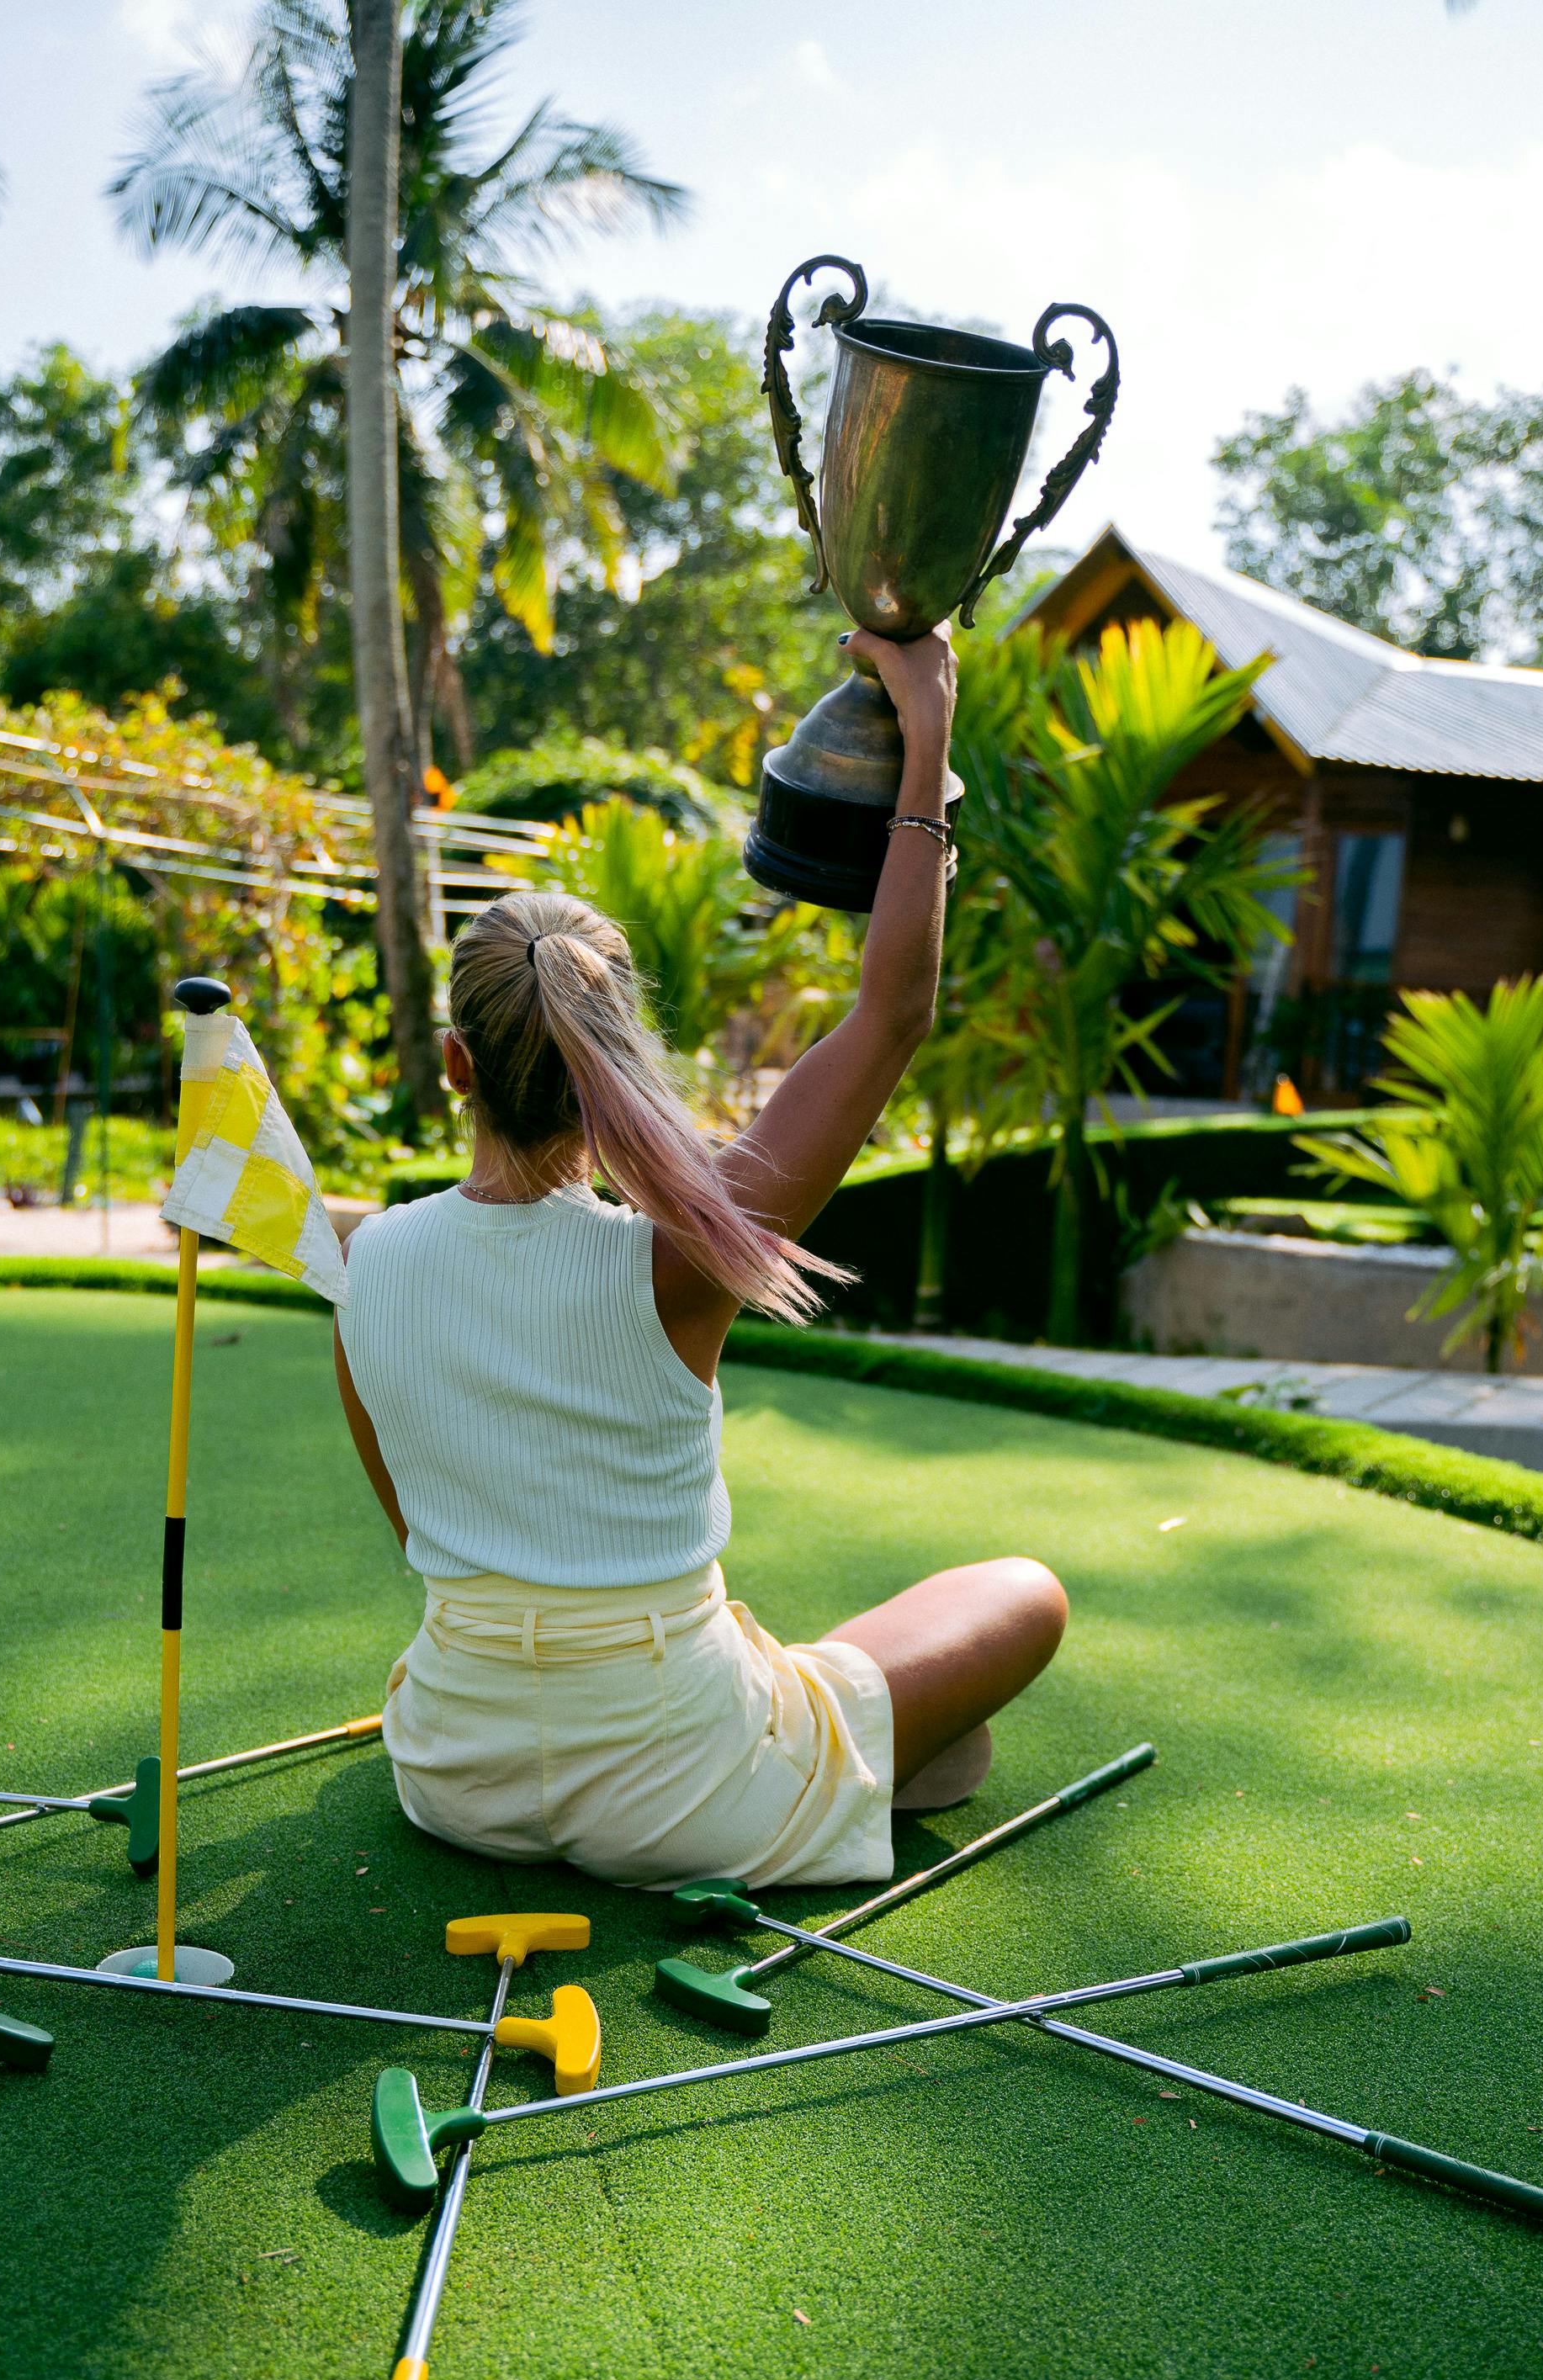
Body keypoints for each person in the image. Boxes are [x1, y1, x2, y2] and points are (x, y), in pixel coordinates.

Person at [335, 626, 1067, 1889]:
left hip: (456, 1778)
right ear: (614, 1065)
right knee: (1023, 1591)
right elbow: (890, 1012)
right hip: (685, 1793)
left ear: (456, 1067)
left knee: (847, 1692)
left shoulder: (369, 1269)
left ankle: (838, 1735)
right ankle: (844, 1753)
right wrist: (926, 727)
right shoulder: (681, 1261)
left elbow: (428, 1538)